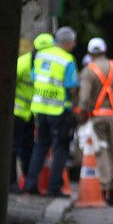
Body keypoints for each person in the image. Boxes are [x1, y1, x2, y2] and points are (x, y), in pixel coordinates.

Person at [23, 26, 79, 197]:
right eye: (73, 43)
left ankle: (31, 184)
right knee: (60, 148)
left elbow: (34, 78)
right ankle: (54, 188)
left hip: (40, 109)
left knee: (40, 146)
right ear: (69, 43)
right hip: (58, 110)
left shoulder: (41, 55)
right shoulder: (67, 60)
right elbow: (72, 88)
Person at [77, 37, 113, 206]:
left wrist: (82, 114)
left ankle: (104, 186)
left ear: (90, 53)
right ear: (105, 51)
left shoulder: (89, 71)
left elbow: (84, 99)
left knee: (101, 150)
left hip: (98, 117)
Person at [10, 33, 53, 194]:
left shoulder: (47, 66)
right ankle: (12, 184)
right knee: (14, 148)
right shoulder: (22, 63)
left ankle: (30, 183)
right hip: (18, 113)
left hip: (31, 115)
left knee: (28, 148)